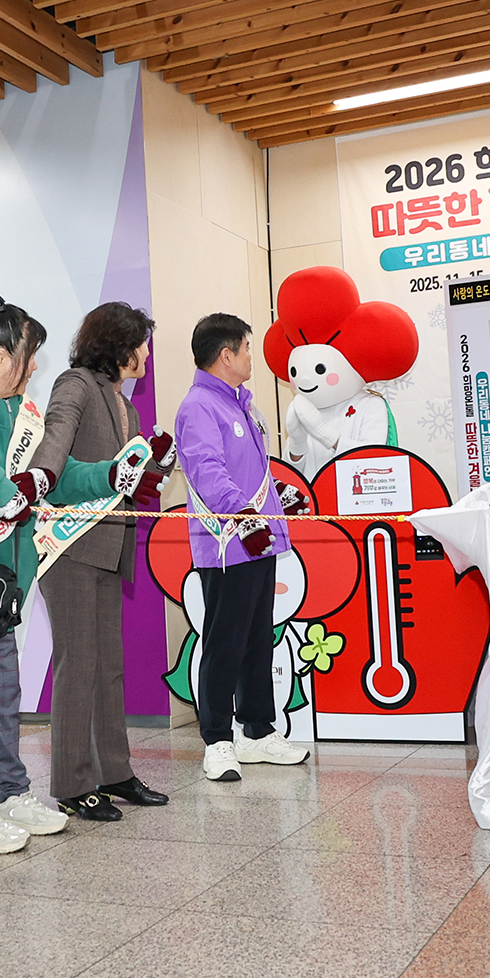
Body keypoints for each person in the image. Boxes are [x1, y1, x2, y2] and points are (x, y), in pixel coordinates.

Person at [0, 293, 142, 848]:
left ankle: (11, 792)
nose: (34, 365)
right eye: (26, 353)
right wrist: (1, 488)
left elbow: (52, 477)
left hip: (9, 571)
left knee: (1, 692)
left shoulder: (20, 411)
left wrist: (111, 474)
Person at [30, 302, 175, 819]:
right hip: (70, 547)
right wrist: (40, 477)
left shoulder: (126, 406)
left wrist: (157, 465)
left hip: (109, 545)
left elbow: (124, 480)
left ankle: (115, 773)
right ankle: (72, 783)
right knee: (78, 665)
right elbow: (56, 439)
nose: (147, 353)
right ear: (118, 344)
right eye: (142, 342)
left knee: (108, 668)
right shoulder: (76, 385)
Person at [173, 313, 312, 782]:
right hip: (228, 544)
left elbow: (249, 471)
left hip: (261, 542)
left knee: (258, 640)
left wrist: (277, 501)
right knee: (223, 643)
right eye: (247, 347)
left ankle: (258, 732)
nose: (253, 356)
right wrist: (243, 511)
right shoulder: (199, 407)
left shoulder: (240, 405)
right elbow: (207, 470)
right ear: (226, 354)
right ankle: (217, 741)